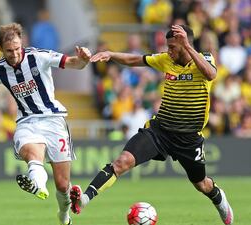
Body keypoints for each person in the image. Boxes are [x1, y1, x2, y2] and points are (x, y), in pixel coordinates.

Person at [70, 25, 234, 225]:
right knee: (122, 162)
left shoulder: (204, 58)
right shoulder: (166, 59)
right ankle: (84, 200)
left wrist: (189, 47)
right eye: (168, 46)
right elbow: (135, 60)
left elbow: (211, 75)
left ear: (186, 45)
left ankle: (219, 198)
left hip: (189, 137)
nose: (169, 51)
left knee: (201, 184)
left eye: (173, 47)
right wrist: (110, 54)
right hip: (160, 131)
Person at [0, 23, 91, 225]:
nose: (14, 54)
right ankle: (39, 186)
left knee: (62, 184)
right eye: (9, 51)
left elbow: (74, 63)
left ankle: (63, 215)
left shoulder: (38, 56)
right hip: (27, 121)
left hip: (53, 120)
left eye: (17, 49)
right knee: (32, 154)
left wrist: (84, 60)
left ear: (21, 43)